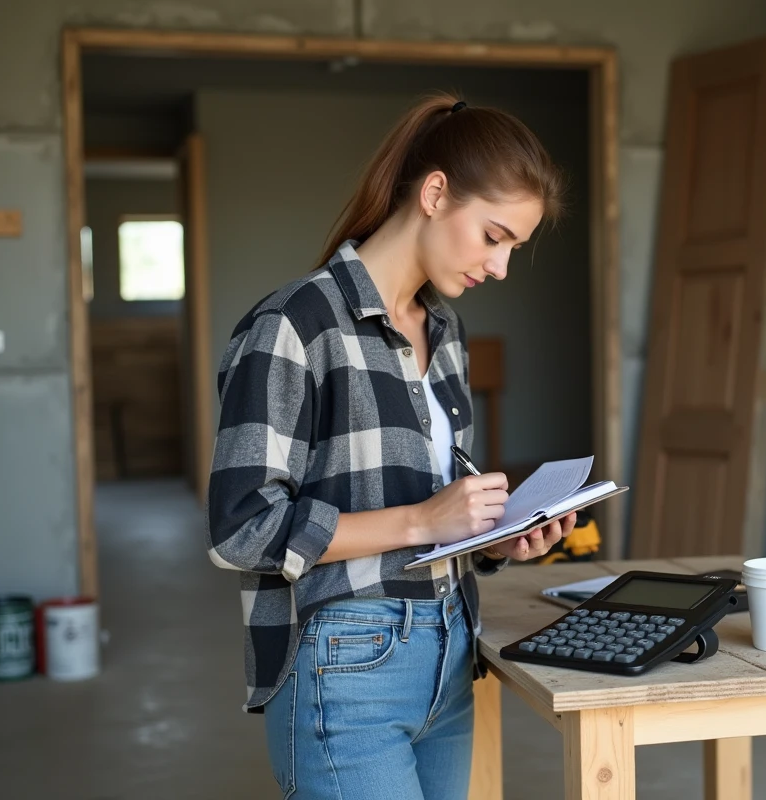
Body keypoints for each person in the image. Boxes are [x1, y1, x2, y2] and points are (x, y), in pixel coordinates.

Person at [205, 93, 576, 800]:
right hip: (343, 662)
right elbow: (239, 530)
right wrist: (422, 522)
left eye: (514, 250)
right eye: (494, 236)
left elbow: (436, 512)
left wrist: (493, 538)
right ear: (436, 193)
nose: (499, 267)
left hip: (450, 650)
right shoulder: (294, 324)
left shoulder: (445, 337)